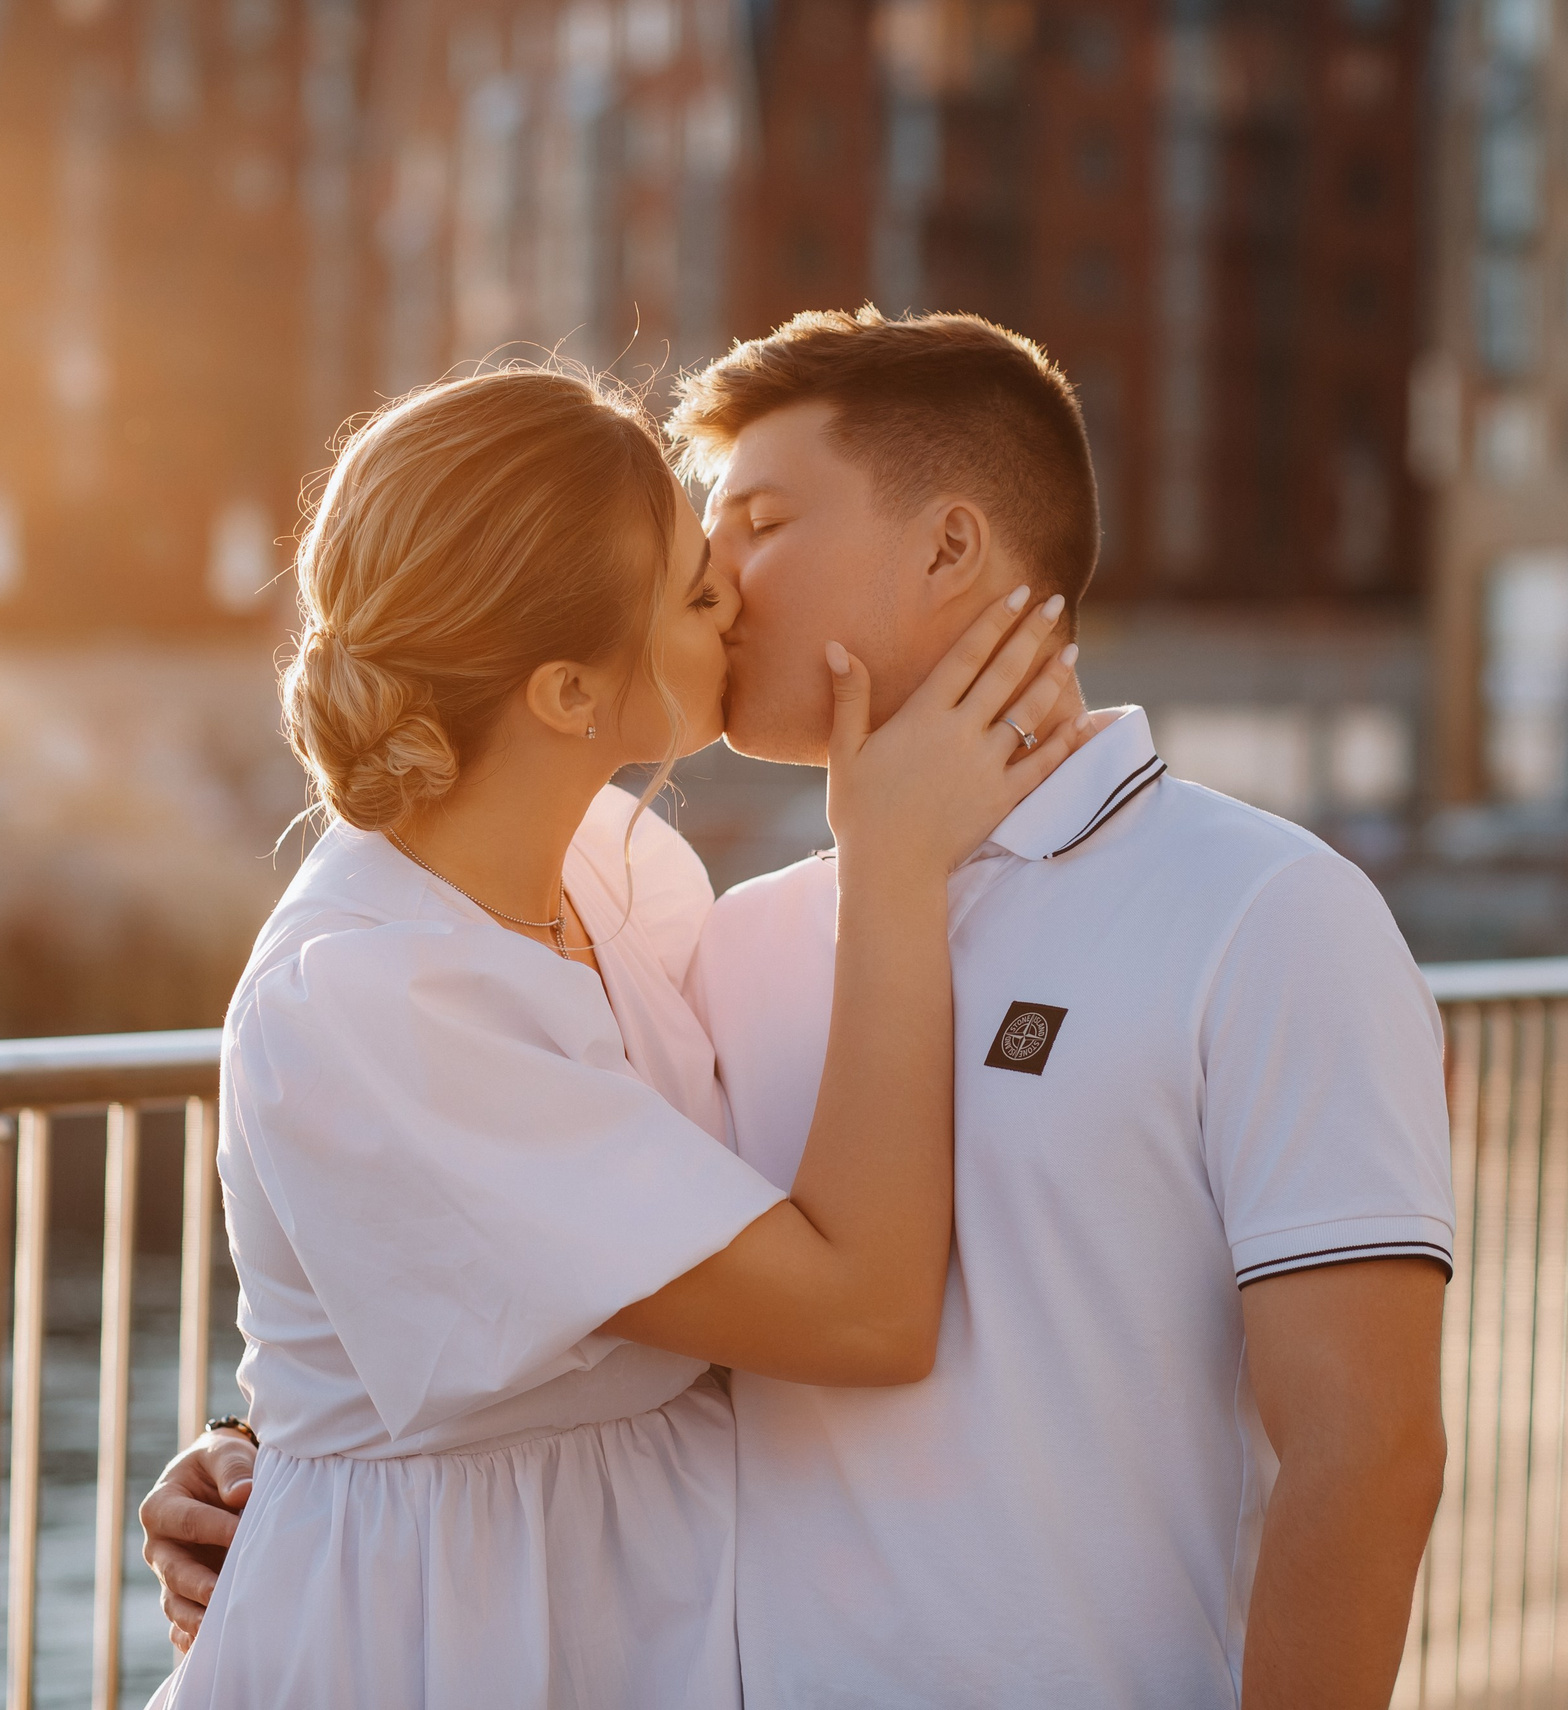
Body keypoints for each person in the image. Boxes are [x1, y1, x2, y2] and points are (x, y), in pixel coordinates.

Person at [147, 311, 1455, 1709]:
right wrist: (287, 1454)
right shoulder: (734, 939)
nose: (715, 570)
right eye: (704, 530)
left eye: (759, 520)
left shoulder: (1263, 914)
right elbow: (529, 1270)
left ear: (949, 548)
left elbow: (1367, 1451)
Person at [147, 361, 1092, 1710]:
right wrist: (891, 860)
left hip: (638, 1606)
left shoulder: (622, 870)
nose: (738, 597)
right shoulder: (368, 993)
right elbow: (863, 1310)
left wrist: (259, 1431)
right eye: (698, 592)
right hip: (444, 1635)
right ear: (566, 693)